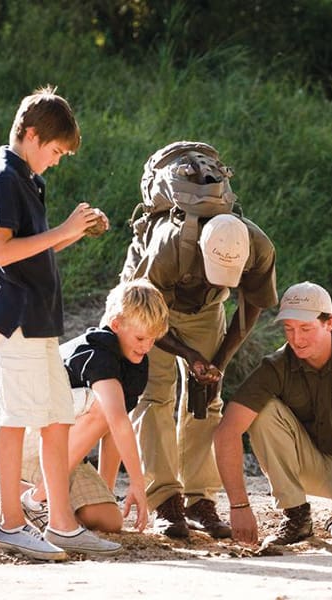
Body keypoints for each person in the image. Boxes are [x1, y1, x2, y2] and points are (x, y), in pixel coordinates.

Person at [0, 85, 119, 560]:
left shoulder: (28, 179)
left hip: (39, 320)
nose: (56, 160)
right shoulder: (4, 178)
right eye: (54, 151)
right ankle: (10, 524)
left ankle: (62, 524)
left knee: (58, 419)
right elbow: (2, 252)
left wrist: (73, 232)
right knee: (16, 419)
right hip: (15, 319)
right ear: (31, 134)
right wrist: (63, 230)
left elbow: (32, 248)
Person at [121, 212, 278, 539]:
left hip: (206, 309)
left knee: (206, 398)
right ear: (202, 249)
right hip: (150, 300)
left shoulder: (260, 249)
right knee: (154, 395)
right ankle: (165, 500)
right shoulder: (169, 247)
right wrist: (189, 355)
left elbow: (251, 308)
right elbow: (142, 314)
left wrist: (218, 361)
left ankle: (199, 500)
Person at [0, 279, 169, 537]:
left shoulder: (135, 361)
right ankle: (35, 499)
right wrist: (138, 483)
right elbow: (116, 420)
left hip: (62, 447)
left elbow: (113, 433)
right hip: (18, 432)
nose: (146, 346)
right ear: (116, 325)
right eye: (141, 337)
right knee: (103, 406)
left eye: (153, 339)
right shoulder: (98, 350)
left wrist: (106, 490)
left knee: (109, 520)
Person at [214, 281, 332, 547]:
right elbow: (227, 430)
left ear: (330, 323)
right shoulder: (277, 365)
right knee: (263, 410)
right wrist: (238, 505)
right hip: (309, 464)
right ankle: (297, 517)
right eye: (289, 329)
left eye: (305, 328)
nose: (296, 339)